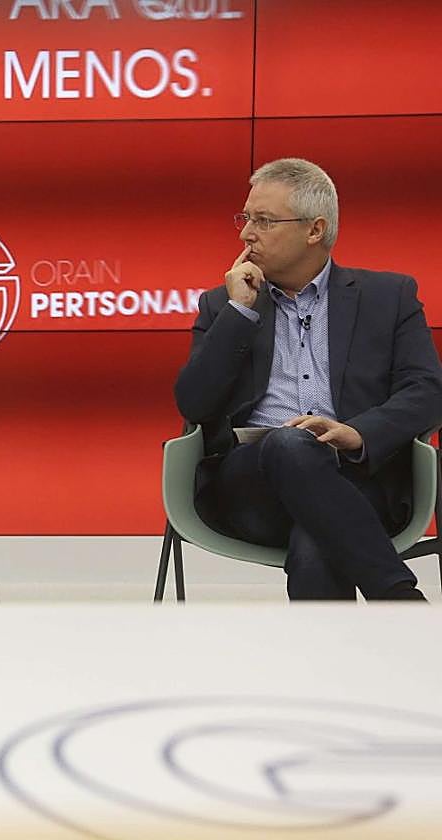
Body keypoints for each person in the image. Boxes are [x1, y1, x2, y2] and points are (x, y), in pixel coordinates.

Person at [175, 158, 442, 600]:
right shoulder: (224, 305)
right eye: (245, 219)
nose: (245, 234)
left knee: (317, 545)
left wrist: (357, 433)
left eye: (263, 221)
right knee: (288, 442)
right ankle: (398, 600)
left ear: (314, 230)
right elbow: (194, 404)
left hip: (357, 479)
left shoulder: (389, 297)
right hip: (252, 487)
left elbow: (427, 391)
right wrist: (239, 313)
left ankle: (324, 667)